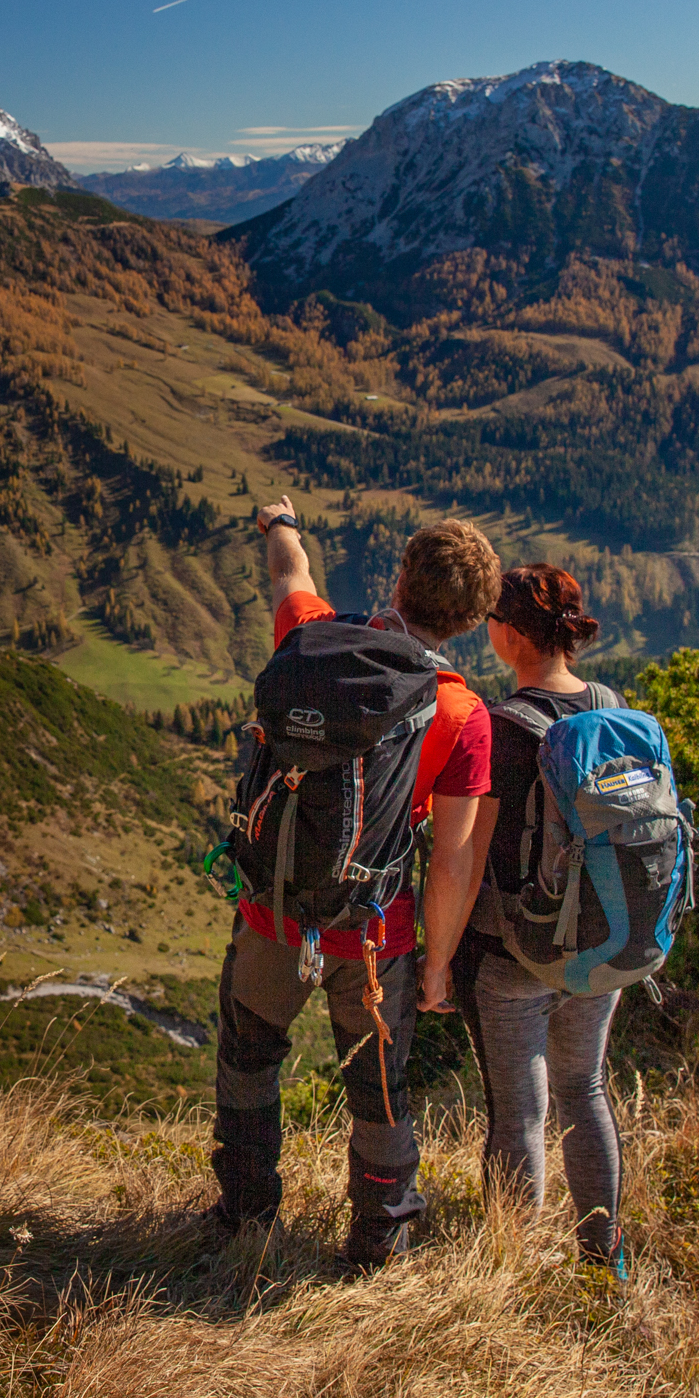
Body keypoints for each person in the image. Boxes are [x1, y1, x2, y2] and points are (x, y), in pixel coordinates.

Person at [206, 494, 502, 1267]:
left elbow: (288, 571)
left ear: (399, 577)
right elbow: (453, 858)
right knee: (377, 1088)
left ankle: (244, 1215)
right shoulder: (461, 712)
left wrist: (280, 522)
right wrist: (436, 963)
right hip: (373, 935)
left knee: (247, 1058)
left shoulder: (310, 639)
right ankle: (378, 1242)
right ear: (471, 620)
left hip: (272, 913)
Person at [417, 561, 626, 1272]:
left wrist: (437, 960)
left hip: (512, 956)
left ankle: (509, 1267)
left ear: (508, 636)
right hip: (601, 948)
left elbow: (467, 860)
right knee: (586, 1090)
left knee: (520, 1113)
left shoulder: (503, 728)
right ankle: (604, 1257)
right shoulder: (610, 705)